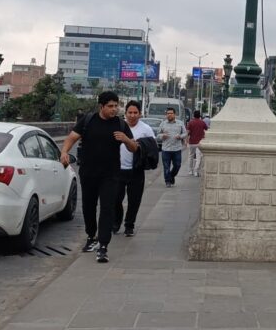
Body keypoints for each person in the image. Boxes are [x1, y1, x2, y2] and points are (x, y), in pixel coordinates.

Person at [60, 91, 134, 264]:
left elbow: (134, 148)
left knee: (107, 208)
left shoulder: (121, 124)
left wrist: (126, 140)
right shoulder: (88, 120)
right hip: (88, 173)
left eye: (116, 106)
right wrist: (64, 152)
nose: (114, 109)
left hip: (111, 174)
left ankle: (103, 246)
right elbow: (71, 138)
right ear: (101, 106)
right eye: (110, 106)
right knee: (88, 207)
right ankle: (91, 236)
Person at [113, 100, 157, 237]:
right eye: (130, 112)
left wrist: (141, 146)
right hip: (118, 170)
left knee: (134, 200)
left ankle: (129, 225)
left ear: (140, 114)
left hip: (136, 170)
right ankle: (116, 222)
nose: (132, 115)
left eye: (135, 113)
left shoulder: (146, 129)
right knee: (115, 199)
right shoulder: (118, 126)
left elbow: (153, 147)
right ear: (125, 113)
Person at [158, 107, 188, 187]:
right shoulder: (163, 123)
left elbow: (185, 133)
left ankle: (171, 176)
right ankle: (167, 181)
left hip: (176, 149)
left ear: (174, 114)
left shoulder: (180, 123)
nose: (169, 115)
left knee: (177, 165)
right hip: (166, 149)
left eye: (171, 113)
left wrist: (180, 136)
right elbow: (157, 135)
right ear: (166, 115)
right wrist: (162, 136)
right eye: (168, 113)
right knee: (166, 167)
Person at [186, 109, 207, 176]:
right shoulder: (202, 122)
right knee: (199, 157)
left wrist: (186, 140)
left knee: (190, 156)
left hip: (191, 142)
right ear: (199, 115)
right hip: (199, 142)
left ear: (194, 115)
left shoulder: (190, 122)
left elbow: (187, 132)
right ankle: (196, 171)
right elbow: (206, 129)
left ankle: (190, 171)